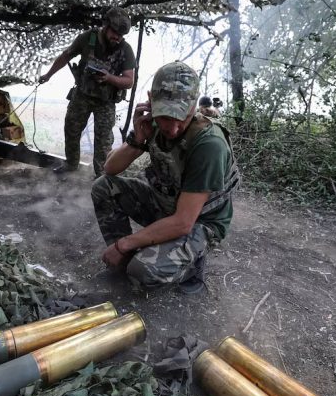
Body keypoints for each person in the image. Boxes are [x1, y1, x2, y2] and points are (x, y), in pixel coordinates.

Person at [91, 61, 240, 294]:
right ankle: (128, 257)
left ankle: (192, 265)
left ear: (194, 105)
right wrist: (137, 141)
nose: (172, 128)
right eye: (165, 117)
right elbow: (109, 169)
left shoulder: (209, 144)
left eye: (182, 117)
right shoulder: (149, 122)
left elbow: (183, 222)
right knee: (103, 188)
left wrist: (124, 243)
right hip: (166, 204)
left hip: (199, 221)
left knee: (142, 272)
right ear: (151, 100)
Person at [39, 7, 136, 177]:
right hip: (82, 95)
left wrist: (109, 78)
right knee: (71, 129)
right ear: (105, 25)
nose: (117, 38)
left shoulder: (125, 49)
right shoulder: (87, 38)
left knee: (103, 141)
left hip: (106, 102)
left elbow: (129, 81)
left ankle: (101, 176)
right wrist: (48, 75)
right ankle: (70, 165)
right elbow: (65, 56)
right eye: (114, 33)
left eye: (121, 36)